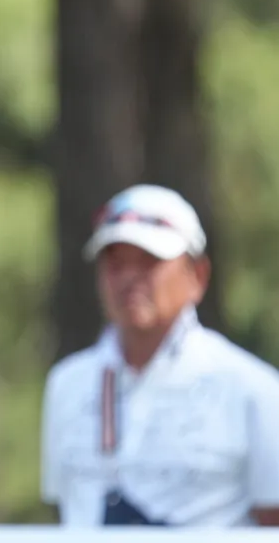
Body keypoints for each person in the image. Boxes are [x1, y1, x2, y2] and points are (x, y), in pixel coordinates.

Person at [40, 184, 279, 527]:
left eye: (149, 261)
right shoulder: (67, 384)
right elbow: (66, 510)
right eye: (115, 263)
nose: (129, 278)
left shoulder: (255, 390)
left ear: (197, 275)